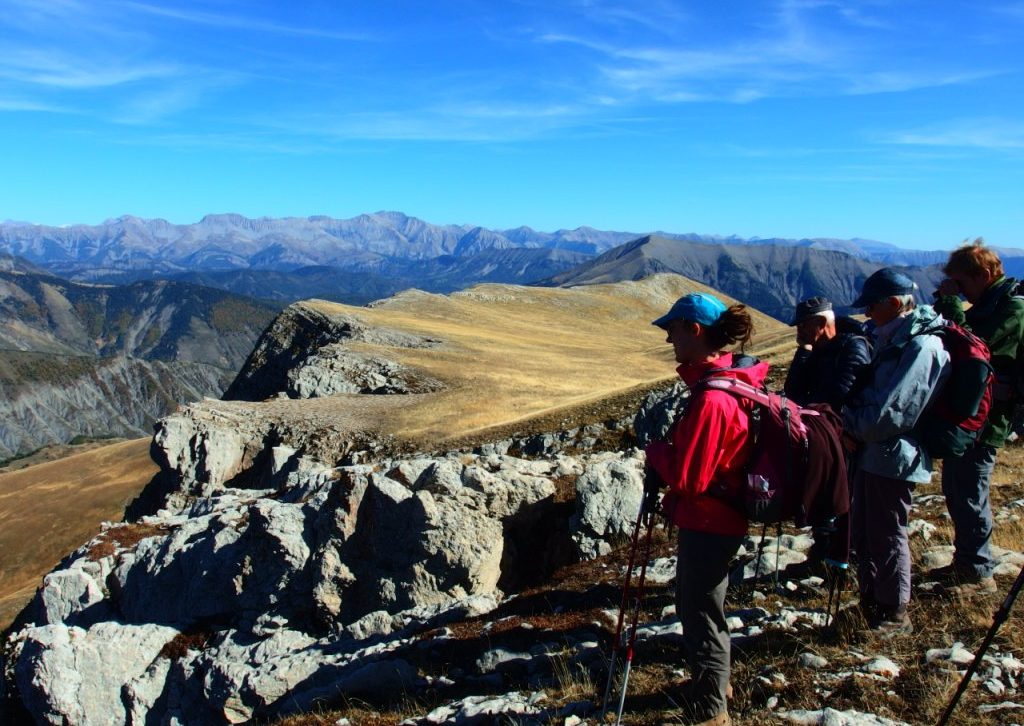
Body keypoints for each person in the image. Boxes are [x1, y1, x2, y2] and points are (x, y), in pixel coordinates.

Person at [644, 292, 762, 726]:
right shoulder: (723, 384)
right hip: (717, 516)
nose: (670, 338)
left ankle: (713, 709)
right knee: (699, 604)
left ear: (694, 330)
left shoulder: (713, 399)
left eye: (673, 329)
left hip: (711, 519)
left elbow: (691, 479)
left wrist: (657, 454)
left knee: (701, 610)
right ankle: (712, 684)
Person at [842, 268, 951, 636]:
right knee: (867, 530)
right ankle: (872, 600)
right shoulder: (896, 339)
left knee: (888, 532)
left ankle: (895, 612)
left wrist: (850, 425)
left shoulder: (922, 346)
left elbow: (896, 412)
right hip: (876, 453)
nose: (867, 313)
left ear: (893, 303)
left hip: (896, 456)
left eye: (872, 306)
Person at [931, 240, 1024, 595]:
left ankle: (978, 573)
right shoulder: (988, 304)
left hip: (988, 421)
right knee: (956, 490)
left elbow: (971, 345)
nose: (960, 291)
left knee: (971, 491)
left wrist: (952, 303)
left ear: (984, 275)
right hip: (969, 417)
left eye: (963, 283)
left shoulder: (1012, 310)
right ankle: (966, 562)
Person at [784, 296, 872, 412]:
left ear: (821, 323)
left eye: (803, 325)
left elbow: (839, 398)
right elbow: (792, 391)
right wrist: (804, 351)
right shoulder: (816, 348)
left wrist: (804, 406)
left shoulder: (853, 347)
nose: (799, 332)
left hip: (844, 426)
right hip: (819, 421)